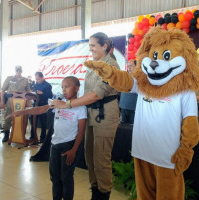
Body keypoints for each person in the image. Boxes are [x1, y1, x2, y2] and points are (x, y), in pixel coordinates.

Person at [51, 32, 120, 200]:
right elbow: (87, 92)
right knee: (90, 159)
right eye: (89, 46)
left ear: (104, 46)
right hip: (90, 113)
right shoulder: (93, 65)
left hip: (105, 115)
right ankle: (95, 191)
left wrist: (67, 104)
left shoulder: (110, 65)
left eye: (93, 45)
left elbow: (97, 94)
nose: (90, 49)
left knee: (101, 160)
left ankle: (103, 195)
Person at [7, 76, 87, 200]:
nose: (64, 90)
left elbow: (81, 131)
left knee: (66, 178)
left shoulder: (81, 107)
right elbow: (41, 109)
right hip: (55, 145)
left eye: (67, 86)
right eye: (62, 87)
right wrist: (22, 112)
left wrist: (74, 150)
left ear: (76, 88)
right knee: (54, 177)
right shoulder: (57, 103)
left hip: (69, 145)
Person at [0, 65, 30, 142]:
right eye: (17, 70)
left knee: (20, 119)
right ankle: (6, 135)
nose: (18, 71)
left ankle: (20, 135)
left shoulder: (25, 80)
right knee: (8, 118)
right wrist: (2, 101)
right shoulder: (9, 78)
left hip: (21, 103)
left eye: (19, 70)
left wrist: (29, 102)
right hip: (10, 101)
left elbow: (28, 92)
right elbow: (3, 90)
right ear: (15, 70)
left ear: (22, 71)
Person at [31, 71, 53, 142]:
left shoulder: (47, 85)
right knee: (33, 121)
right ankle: (32, 137)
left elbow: (50, 96)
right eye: (36, 79)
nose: (37, 81)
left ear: (42, 78)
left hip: (43, 105)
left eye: (38, 79)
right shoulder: (35, 84)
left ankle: (42, 138)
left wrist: (42, 93)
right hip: (35, 104)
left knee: (43, 122)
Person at [119, 59, 138, 124]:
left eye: (131, 66)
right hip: (123, 107)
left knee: (132, 129)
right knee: (123, 128)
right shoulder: (124, 76)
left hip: (134, 109)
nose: (129, 68)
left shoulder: (140, 78)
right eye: (128, 66)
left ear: (136, 66)